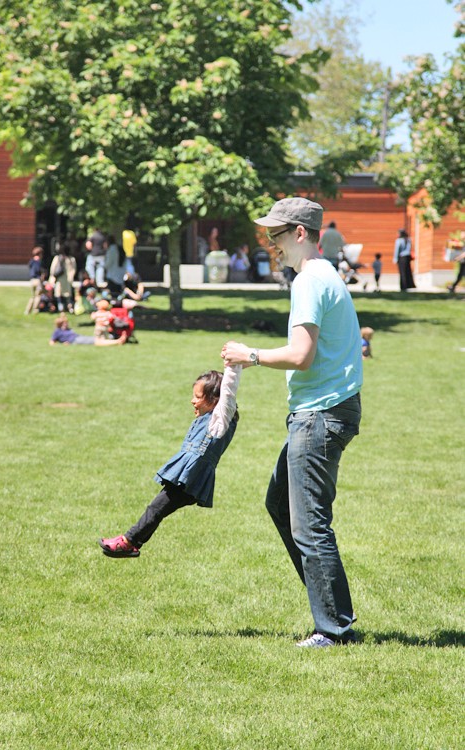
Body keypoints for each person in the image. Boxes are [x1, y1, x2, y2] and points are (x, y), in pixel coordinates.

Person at [221, 197, 363, 649]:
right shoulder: (322, 276)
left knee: (309, 524)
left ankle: (332, 629)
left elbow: (301, 356)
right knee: (280, 504)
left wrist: (251, 356)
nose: (271, 245)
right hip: (326, 411)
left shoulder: (309, 281)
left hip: (320, 415)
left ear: (300, 234)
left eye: (276, 236)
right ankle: (332, 611)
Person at [98, 365, 242, 558]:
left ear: (215, 400)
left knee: (156, 509)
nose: (193, 401)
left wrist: (233, 364)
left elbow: (228, 390)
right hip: (187, 476)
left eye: (198, 397)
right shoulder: (208, 416)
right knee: (157, 509)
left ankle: (128, 542)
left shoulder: (221, 419)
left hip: (193, 479)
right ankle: (131, 542)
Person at [49, 313, 126, 346]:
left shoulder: (67, 329)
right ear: (60, 324)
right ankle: (117, 341)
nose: (66, 324)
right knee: (96, 341)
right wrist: (63, 344)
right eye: (64, 323)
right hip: (75, 341)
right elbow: (52, 342)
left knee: (97, 339)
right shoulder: (58, 331)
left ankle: (117, 341)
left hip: (78, 337)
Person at [49, 245, 77, 313]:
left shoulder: (58, 258)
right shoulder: (70, 259)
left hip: (61, 279)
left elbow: (53, 269)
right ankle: (66, 307)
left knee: (60, 293)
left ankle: (62, 307)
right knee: (66, 294)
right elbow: (73, 269)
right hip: (65, 279)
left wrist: (52, 278)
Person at [25, 246, 43, 314]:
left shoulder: (32, 261)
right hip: (37, 280)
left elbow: (29, 266)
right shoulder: (39, 261)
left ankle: (28, 310)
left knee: (32, 296)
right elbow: (39, 270)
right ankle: (35, 310)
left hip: (32, 280)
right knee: (38, 296)